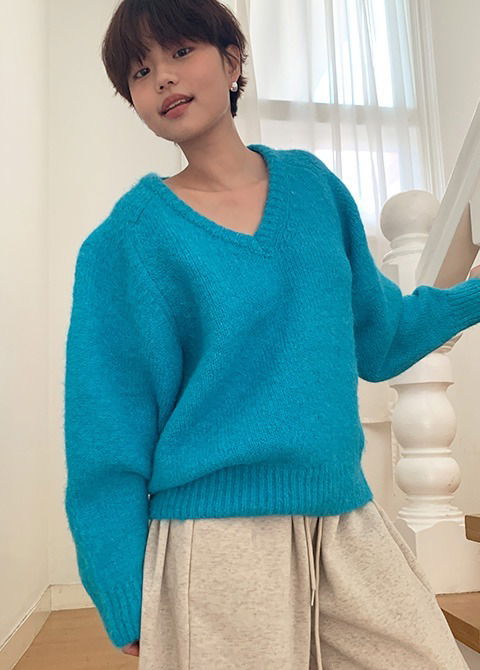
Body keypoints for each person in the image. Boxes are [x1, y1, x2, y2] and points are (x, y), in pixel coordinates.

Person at [63, 0, 480, 667]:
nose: (163, 77)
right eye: (140, 71)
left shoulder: (315, 190)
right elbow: (107, 433)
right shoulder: (126, 243)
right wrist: (119, 583)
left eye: (181, 52)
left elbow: (381, 339)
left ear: (233, 61)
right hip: (215, 542)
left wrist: (473, 295)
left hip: (345, 517)